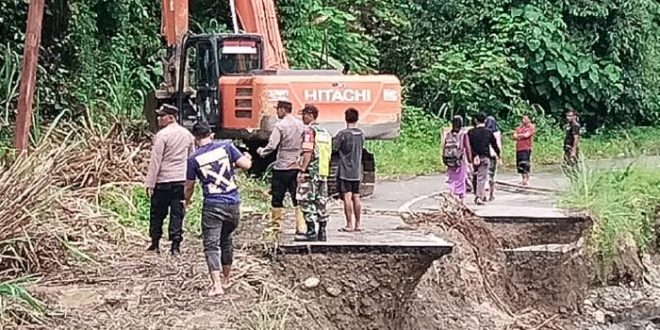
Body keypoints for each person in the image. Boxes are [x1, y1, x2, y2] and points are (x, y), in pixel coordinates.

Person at [184, 122, 252, 297]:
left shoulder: (193, 159)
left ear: (195, 138)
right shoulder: (226, 147)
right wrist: (247, 157)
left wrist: (187, 201)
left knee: (211, 245)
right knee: (227, 240)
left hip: (213, 204)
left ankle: (216, 285)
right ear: (211, 135)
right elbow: (245, 165)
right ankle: (226, 279)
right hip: (233, 203)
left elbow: (189, 186)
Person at [145, 104, 195, 255]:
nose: (159, 119)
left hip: (163, 180)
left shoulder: (162, 135)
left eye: (162, 116)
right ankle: (175, 246)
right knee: (177, 213)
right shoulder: (187, 135)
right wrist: (191, 181)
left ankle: (155, 243)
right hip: (180, 180)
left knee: (157, 213)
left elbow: (156, 160)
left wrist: (150, 182)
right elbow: (191, 158)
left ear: (170, 118)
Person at [257, 100, 306, 236]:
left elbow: (272, 145)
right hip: (296, 166)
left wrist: (262, 151)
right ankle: (301, 226)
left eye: (278, 109)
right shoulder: (301, 125)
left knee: (277, 197)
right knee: (297, 197)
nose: (277, 112)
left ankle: (276, 226)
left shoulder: (280, 126)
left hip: (282, 167)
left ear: (283, 110)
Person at [296, 104, 332, 241]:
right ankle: (322, 231)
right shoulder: (325, 132)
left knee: (305, 200)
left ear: (310, 115)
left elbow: (307, 152)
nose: (302, 118)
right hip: (323, 172)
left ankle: (311, 231)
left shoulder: (309, 132)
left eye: (304, 115)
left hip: (310, 172)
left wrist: (302, 170)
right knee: (321, 201)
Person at [333, 108, 364, 232]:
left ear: (346, 118)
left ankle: (349, 224)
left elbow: (335, 148)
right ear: (357, 118)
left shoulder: (343, 134)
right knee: (356, 196)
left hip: (345, 171)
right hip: (356, 171)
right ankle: (358, 224)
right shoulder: (361, 134)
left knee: (347, 196)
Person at [468, 112, 501, 205]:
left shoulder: (470, 132)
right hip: (485, 157)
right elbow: (494, 144)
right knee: (481, 177)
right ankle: (478, 196)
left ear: (475, 120)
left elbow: (468, 145)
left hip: (474, 158)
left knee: (474, 176)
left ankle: (476, 193)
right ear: (485, 120)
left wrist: (474, 155)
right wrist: (498, 153)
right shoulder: (489, 132)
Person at [443, 115, 472, 200]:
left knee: (451, 178)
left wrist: (444, 158)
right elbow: (467, 147)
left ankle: (451, 193)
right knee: (460, 178)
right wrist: (470, 160)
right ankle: (460, 196)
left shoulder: (448, 134)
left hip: (449, 159)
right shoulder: (463, 134)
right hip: (459, 160)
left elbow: (444, 146)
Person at [513, 115, 536, 186]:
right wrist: (520, 135)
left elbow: (527, 135)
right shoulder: (519, 127)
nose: (523, 120)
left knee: (525, 163)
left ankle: (527, 179)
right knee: (520, 164)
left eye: (525, 118)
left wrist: (519, 135)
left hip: (526, 148)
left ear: (529, 119)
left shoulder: (531, 127)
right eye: (523, 118)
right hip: (519, 148)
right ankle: (523, 179)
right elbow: (514, 136)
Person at [485, 116, 502, 201]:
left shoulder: (485, 132)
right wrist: (499, 154)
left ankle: (484, 194)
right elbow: (498, 144)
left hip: (485, 154)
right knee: (492, 175)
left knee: (484, 175)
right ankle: (492, 194)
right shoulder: (497, 133)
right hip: (493, 155)